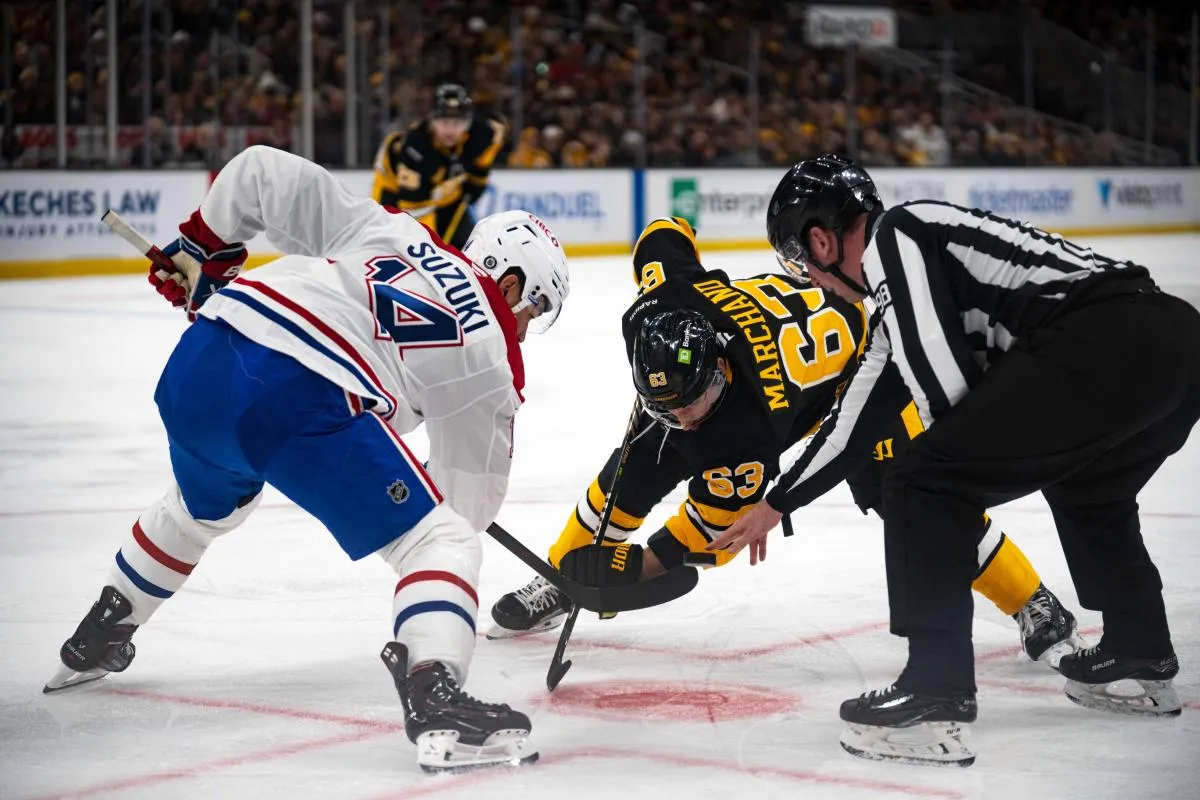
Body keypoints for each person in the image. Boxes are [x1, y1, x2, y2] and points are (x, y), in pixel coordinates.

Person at [45, 145, 570, 774]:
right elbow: (467, 505)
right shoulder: (494, 360)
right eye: (533, 307)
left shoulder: (395, 229)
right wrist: (407, 500)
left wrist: (203, 247)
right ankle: (436, 694)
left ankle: (103, 629)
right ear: (509, 282)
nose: (525, 323)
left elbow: (261, 171)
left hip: (199, 362)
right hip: (297, 396)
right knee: (442, 543)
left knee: (201, 508)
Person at [710, 154, 1200, 766]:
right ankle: (1140, 649)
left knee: (918, 480)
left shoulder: (898, 235)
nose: (814, 282)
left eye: (805, 265)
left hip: (1103, 339)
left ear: (822, 238)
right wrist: (776, 503)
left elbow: (947, 395)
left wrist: (944, 490)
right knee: (1090, 490)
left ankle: (933, 692)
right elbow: (851, 424)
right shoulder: (899, 292)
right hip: (1173, 345)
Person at [488, 216, 1081, 676]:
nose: (684, 421)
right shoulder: (660, 302)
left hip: (869, 371)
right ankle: (556, 577)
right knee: (633, 464)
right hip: (782, 324)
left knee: (910, 500)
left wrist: (641, 566)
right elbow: (662, 234)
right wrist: (668, 407)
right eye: (667, 405)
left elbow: (716, 535)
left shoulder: (748, 437)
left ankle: (1033, 601)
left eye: (691, 404)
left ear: (721, 363)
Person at [371, 83, 508, 249]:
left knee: (472, 252)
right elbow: (414, 213)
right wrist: (433, 251)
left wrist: (476, 185)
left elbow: (487, 153)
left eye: (457, 122)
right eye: (444, 121)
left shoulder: (482, 134)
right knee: (402, 251)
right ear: (432, 120)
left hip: (447, 199)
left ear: (468, 122)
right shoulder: (416, 149)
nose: (450, 130)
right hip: (397, 199)